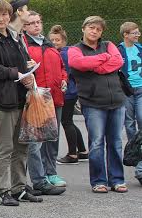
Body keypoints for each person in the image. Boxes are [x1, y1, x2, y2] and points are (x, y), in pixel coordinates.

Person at [0, 0, 39, 206]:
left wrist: (29, 73)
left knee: (21, 147)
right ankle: (2, 191)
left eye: (4, 14)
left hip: (21, 98)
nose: (1, 18)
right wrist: (17, 74)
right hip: (2, 102)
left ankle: (19, 188)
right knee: (3, 148)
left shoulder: (14, 36)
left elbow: (21, 62)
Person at [68, 16, 127, 193]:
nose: (94, 31)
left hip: (116, 100)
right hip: (92, 102)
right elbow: (77, 63)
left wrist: (95, 66)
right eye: (91, 28)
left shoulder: (109, 45)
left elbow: (118, 61)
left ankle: (117, 179)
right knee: (96, 143)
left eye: (98, 29)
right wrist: (104, 58)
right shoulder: (75, 49)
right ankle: (99, 181)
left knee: (115, 142)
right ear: (83, 28)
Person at [21, 11, 67, 195]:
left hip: (55, 97)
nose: (36, 25)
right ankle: (40, 178)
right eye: (31, 23)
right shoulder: (24, 45)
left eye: (38, 22)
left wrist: (64, 79)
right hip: (37, 98)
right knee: (37, 140)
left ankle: (51, 172)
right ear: (24, 26)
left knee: (53, 137)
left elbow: (62, 67)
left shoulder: (49, 44)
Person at [48, 25, 88, 164]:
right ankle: (82, 151)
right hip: (70, 91)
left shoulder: (64, 54)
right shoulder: (62, 52)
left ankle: (72, 154)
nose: (54, 42)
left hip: (68, 92)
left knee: (66, 122)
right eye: (52, 40)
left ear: (64, 41)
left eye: (57, 40)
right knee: (69, 121)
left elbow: (66, 73)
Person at [118, 21, 142, 184]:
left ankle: (139, 154)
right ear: (125, 35)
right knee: (129, 124)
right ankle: (136, 153)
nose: (137, 35)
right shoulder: (118, 50)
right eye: (134, 33)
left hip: (141, 89)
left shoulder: (140, 48)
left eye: (138, 32)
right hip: (127, 91)